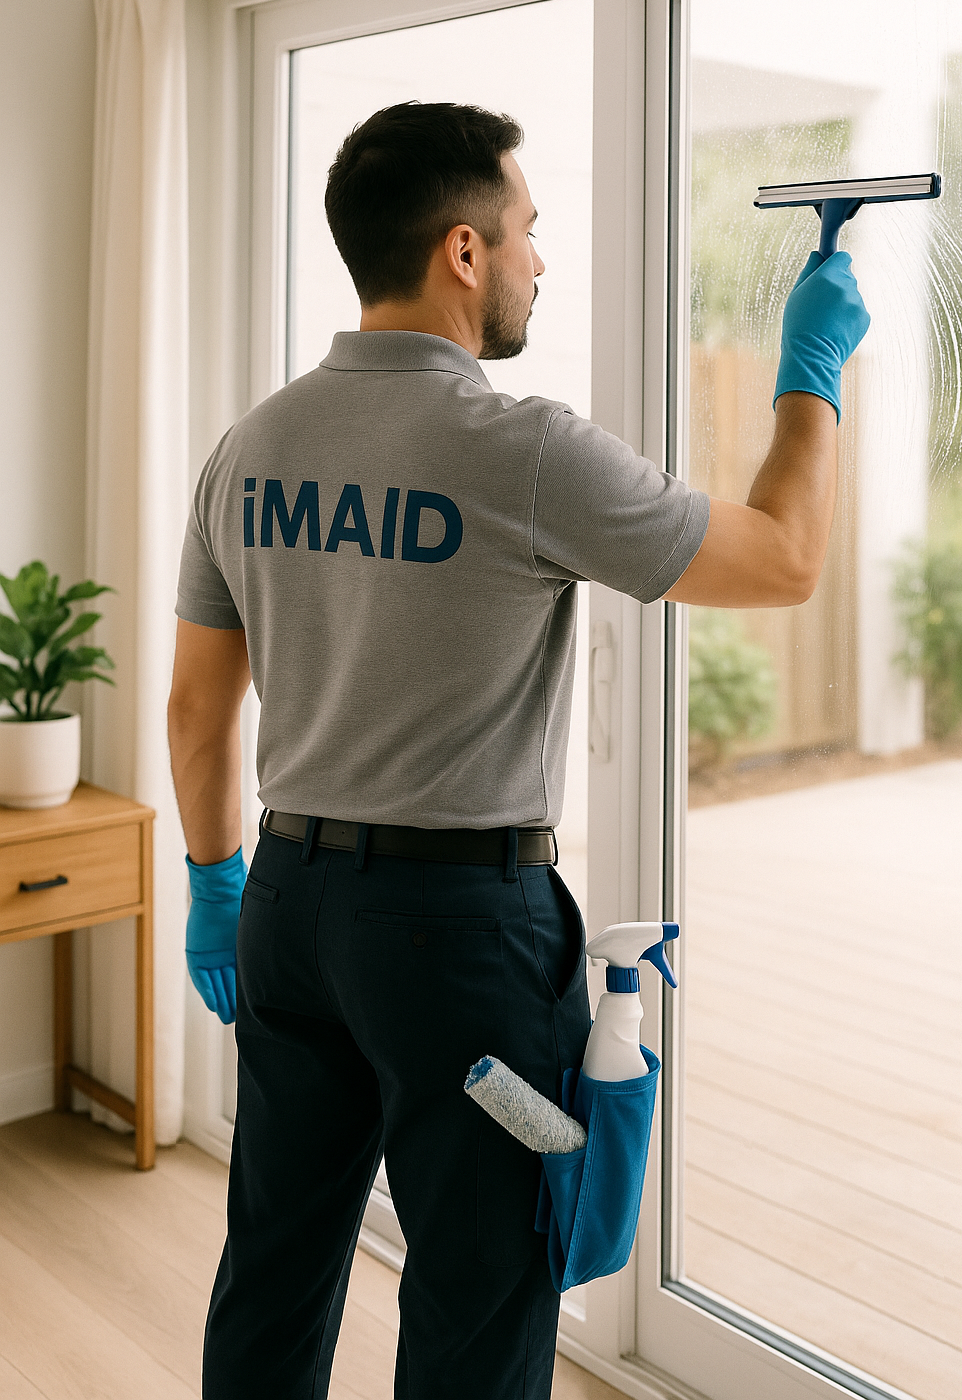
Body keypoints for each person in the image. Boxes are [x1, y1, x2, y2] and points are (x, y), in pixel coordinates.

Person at [167, 101, 869, 1400]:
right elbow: (784, 560)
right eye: (528, 230)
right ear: (463, 252)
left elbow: (200, 712)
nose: (541, 257)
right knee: (482, 1291)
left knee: (272, 1264)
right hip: (455, 945)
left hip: (286, 913)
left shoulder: (248, 447)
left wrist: (216, 889)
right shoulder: (521, 450)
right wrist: (810, 374)